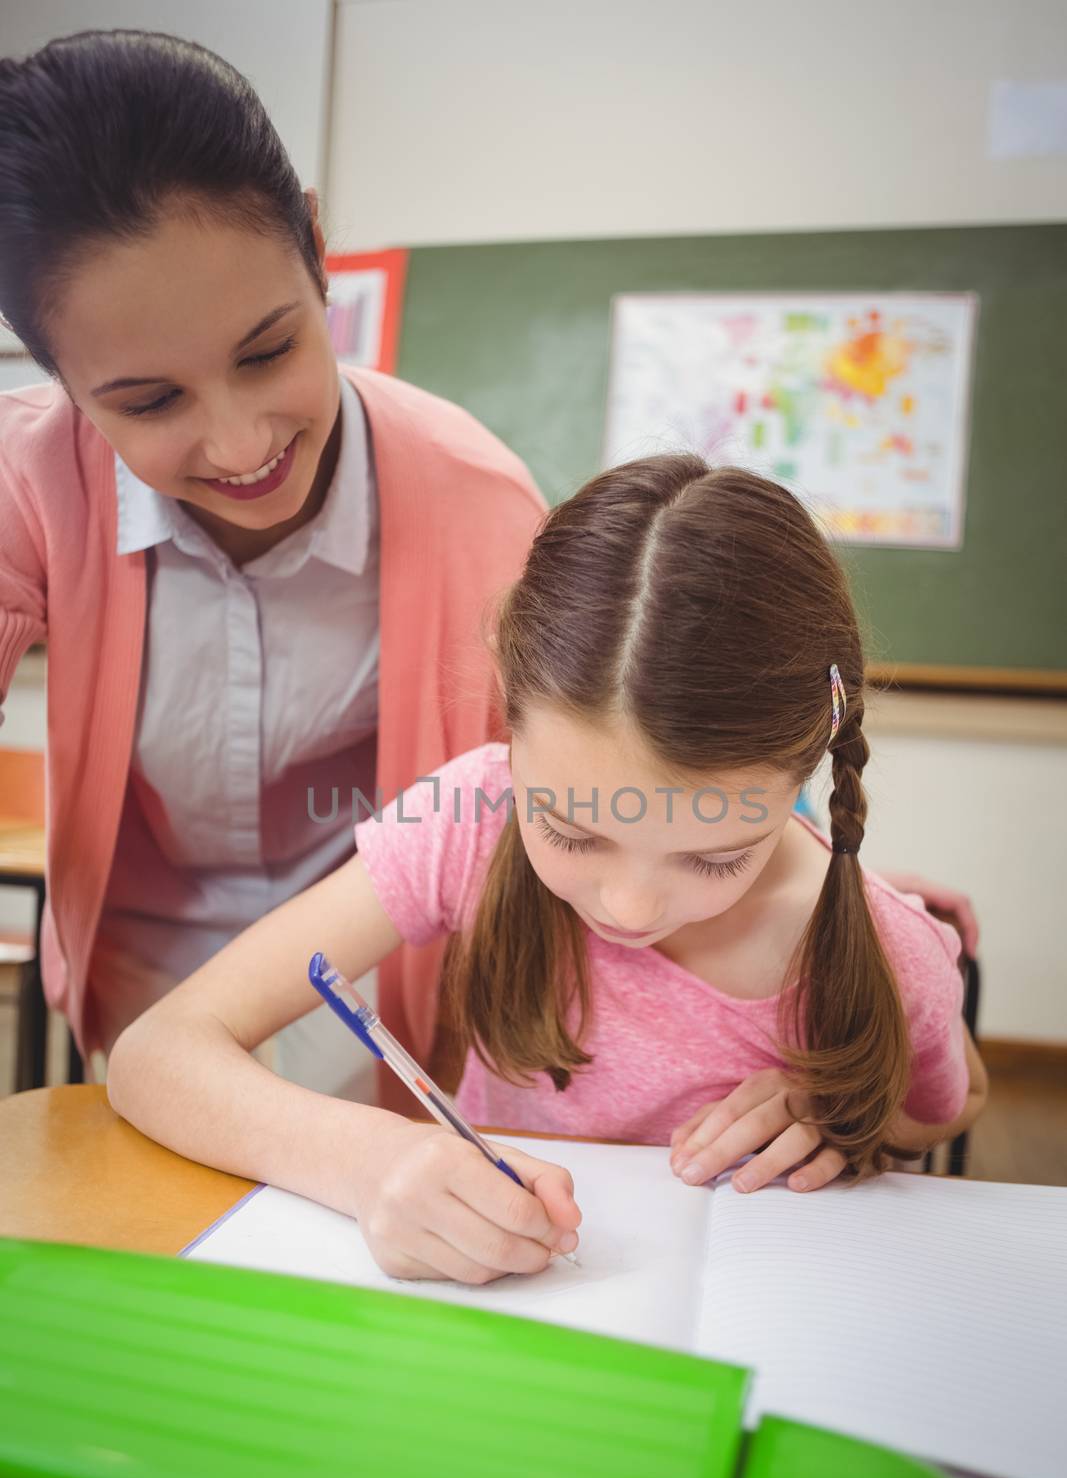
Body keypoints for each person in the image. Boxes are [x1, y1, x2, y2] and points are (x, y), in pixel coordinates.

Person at [108, 457, 988, 1283]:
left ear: (805, 767)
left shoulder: (883, 944)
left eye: (715, 856)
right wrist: (365, 1158)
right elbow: (156, 1053)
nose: (630, 905)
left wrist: (840, 1111)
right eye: (570, 833)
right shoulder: (469, 819)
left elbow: (946, 1103)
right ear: (508, 707)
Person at [0, 30, 543, 1079]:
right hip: (138, 1015)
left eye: (269, 350)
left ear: (313, 238)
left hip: (385, 1008)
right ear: (57, 375)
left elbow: (593, 778)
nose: (243, 444)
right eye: (150, 401)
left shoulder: (481, 508)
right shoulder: (30, 477)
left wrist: (809, 899)